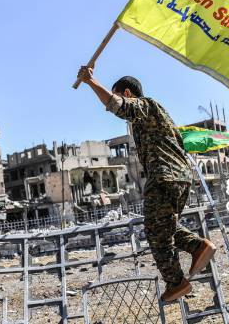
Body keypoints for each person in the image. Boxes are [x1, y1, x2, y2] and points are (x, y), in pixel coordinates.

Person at [77, 66, 216, 302]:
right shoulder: (151, 117)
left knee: (155, 233)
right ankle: (198, 247)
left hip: (165, 176)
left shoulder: (146, 106)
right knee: (164, 227)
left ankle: (176, 282)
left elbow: (116, 105)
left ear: (128, 93)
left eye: (120, 95)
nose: (108, 106)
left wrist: (91, 82)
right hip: (179, 177)